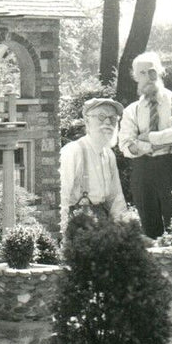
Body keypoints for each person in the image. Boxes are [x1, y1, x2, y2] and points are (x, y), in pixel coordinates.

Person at [118, 52, 172, 239]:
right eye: (142, 73)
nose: (148, 77)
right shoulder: (132, 110)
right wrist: (151, 146)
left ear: (161, 72)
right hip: (142, 171)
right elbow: (126, 146)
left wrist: (150, 138)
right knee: (149, 231)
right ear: (136, 77)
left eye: (152, 71)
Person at [59, 97, 137, 239]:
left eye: (113, 118)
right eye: (101, 117)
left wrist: (126, 232)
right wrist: (62, 235)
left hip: (102, 222)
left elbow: (115, 199)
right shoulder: (73, 151)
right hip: (78, 223)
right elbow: (61, 197)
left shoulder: (109, 155)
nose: (108, 122)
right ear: (87, 121)